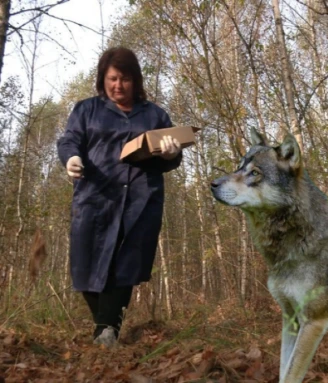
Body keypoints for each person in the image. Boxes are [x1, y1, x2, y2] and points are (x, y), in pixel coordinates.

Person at [57, 47, 182, 347]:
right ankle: (105, 327)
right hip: (96, 195)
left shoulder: (154, 114)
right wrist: (71, 158)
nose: (118, 86)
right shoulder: (86, 109)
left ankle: (107, 333)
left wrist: (172, 152)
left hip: (141, 199)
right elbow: (70, 140)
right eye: (112, 79)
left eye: (125, 79)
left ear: (136, 80)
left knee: (125, 264)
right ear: (103, 79)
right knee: (86, 261)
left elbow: (171, 159)